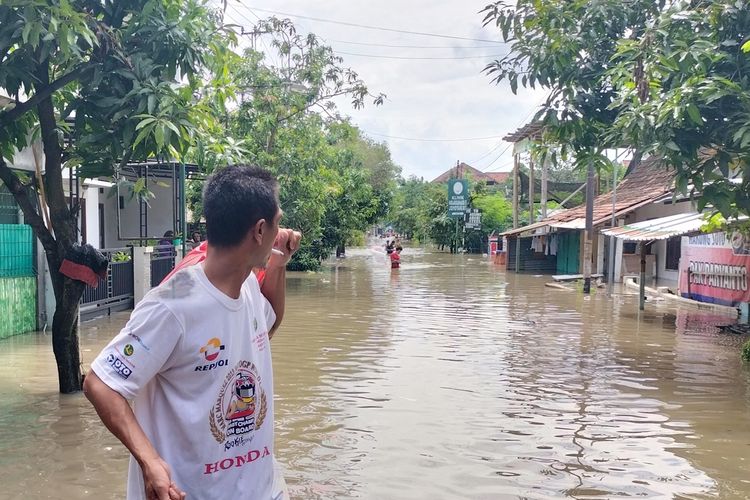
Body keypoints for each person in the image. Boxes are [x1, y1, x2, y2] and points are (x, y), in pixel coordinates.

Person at [84, 165, 301, 500]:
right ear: (260, 230)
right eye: (277, 221)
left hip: (262, 489)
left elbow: (268, 326)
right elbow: (100, 383)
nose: (281, 231)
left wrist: (278, 264)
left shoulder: (246, 286)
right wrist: (150, 460)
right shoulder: (172, 304)